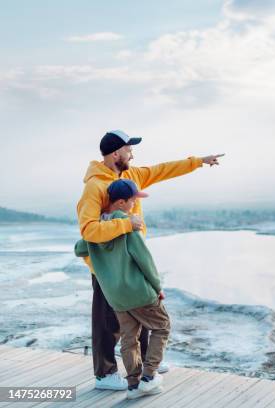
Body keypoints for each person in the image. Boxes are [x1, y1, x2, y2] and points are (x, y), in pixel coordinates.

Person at [76, 130, 223, 390]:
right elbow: (89, 231)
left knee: (140, 310)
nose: (132, 154)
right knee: (107, 322)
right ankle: (105, 374)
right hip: (107, 268)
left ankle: (147, 364)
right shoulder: (94, 186)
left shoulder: (131, 175)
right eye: (129, 149)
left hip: (131, 258)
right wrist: (127, 225)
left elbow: (163, 169)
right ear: (115, 153)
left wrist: (199, 161)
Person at [76, 179, 170, 399]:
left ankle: (133, 386)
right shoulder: (129, 225)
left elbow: (79, 248)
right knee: (162, 326)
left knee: (129, 338)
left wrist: (96, 244)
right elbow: (144, 260)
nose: (134, 206)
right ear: (120, 203)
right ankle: (149, 377)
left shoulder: (97, 229)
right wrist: (158, 287)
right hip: (138, 292)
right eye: (131, 201)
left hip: (115, 298)